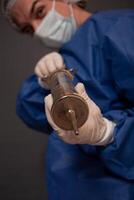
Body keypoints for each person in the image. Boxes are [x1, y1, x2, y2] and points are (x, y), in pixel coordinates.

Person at [2, 0, 134, 199]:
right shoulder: (66, 59)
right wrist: (44, 82)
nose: (37, 30)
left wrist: (107, 132)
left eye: (39, 11)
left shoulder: (121, 29)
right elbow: (29, 107)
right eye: (28, 29)